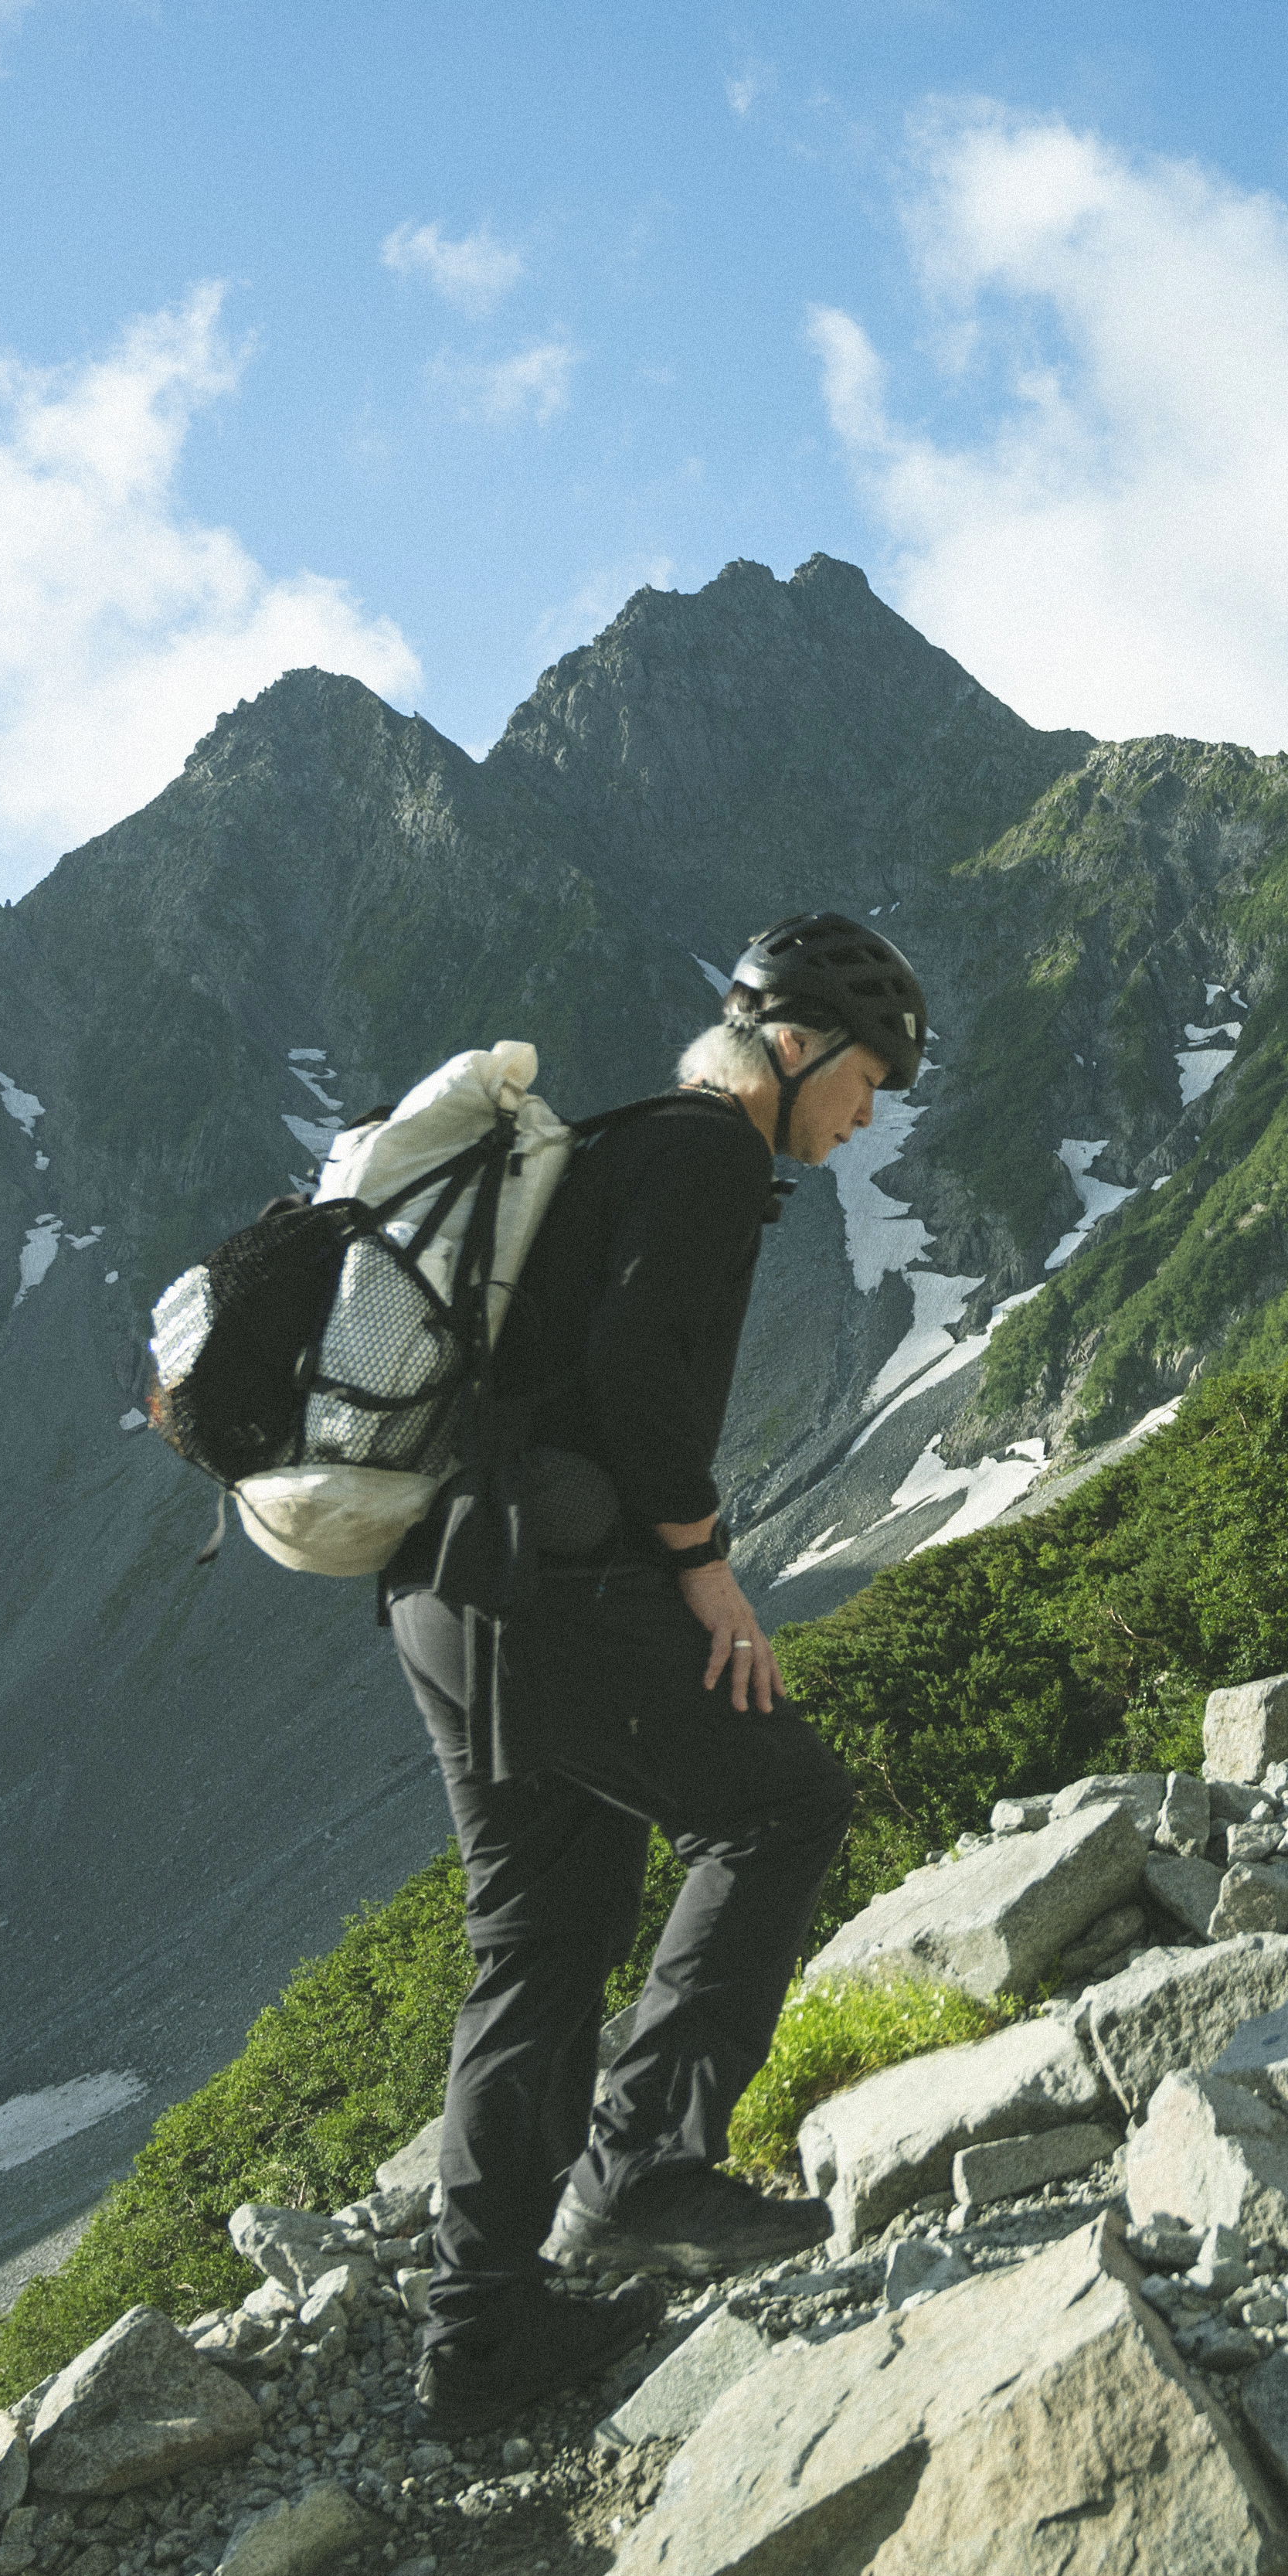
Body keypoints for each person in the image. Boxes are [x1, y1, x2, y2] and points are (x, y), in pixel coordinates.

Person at [382, 912, 925, 2435]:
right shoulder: (704, 1151)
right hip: (553, 1589)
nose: (867, 1116)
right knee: (780, 1804)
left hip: (449, 1589)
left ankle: (480, 2341)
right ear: (800, 1044)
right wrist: (706, 1568)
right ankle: (642, 2172)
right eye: (867, 1080)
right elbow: (636, 1374)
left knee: (542, 1942)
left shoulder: (628, 1141)